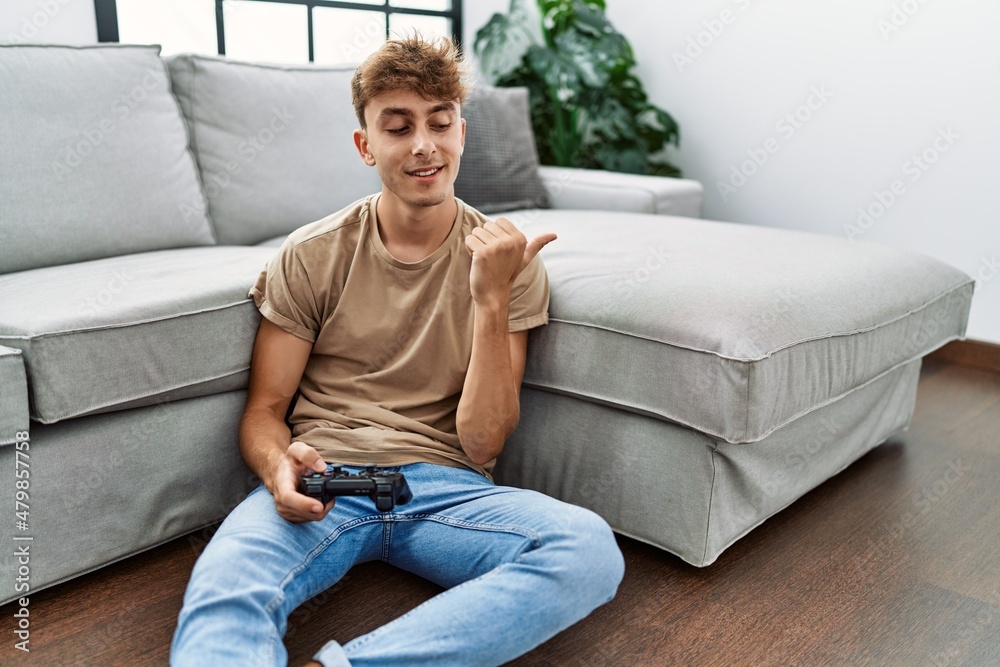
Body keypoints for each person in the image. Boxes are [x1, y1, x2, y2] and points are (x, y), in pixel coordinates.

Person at [170, 34, 624, 667]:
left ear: (462, 133)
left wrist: (491, 300)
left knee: (587, 549)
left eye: (440, 124)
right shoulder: (311, 254)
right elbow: (265, 409)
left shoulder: (507, 263)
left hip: (444, 490)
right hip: (324, 479)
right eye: (398, 126)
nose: (423, 146)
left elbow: (485, 443)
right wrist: (277, 468)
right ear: (366, 145)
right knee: (224, 593)